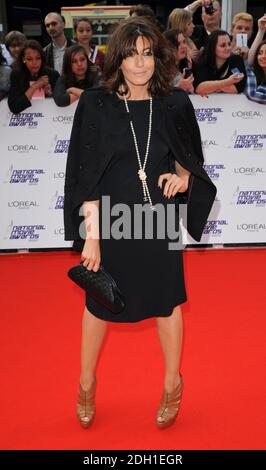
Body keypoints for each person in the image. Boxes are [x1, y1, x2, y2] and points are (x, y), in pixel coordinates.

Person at [64, 17, 216, 429]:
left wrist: (182, 178)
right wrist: (90, 238)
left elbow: (193, 163)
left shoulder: (175, 104)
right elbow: (86, 173)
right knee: (98, 304)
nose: (140, 64)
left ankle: (171, 383)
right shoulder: (96, 104)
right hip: (110, 219)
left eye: (148, 54)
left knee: (167, 304)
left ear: (159, 57)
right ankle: (86, 382)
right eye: (131, 54)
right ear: (118, 58)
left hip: (158, 220)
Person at [8, 39, 59, 114]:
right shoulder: (16, 74)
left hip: (49, 118)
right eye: (29, 59)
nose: (34, 63)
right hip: (25, 120)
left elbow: (61, 101)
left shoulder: (52, 74)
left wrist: (50, 94)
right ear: (23, 59)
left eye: (38, 58)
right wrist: (35, 86)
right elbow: (14, 107)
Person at [194, 30, 246, 95]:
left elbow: (238, 88)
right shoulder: (203, 61)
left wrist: (212, 87)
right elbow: (199, 89)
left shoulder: (237, 59)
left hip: (231, 102)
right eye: (223, 45)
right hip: (207, 103)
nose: (228, 48)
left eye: (229, 44)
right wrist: (228, 82)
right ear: (212, 48)